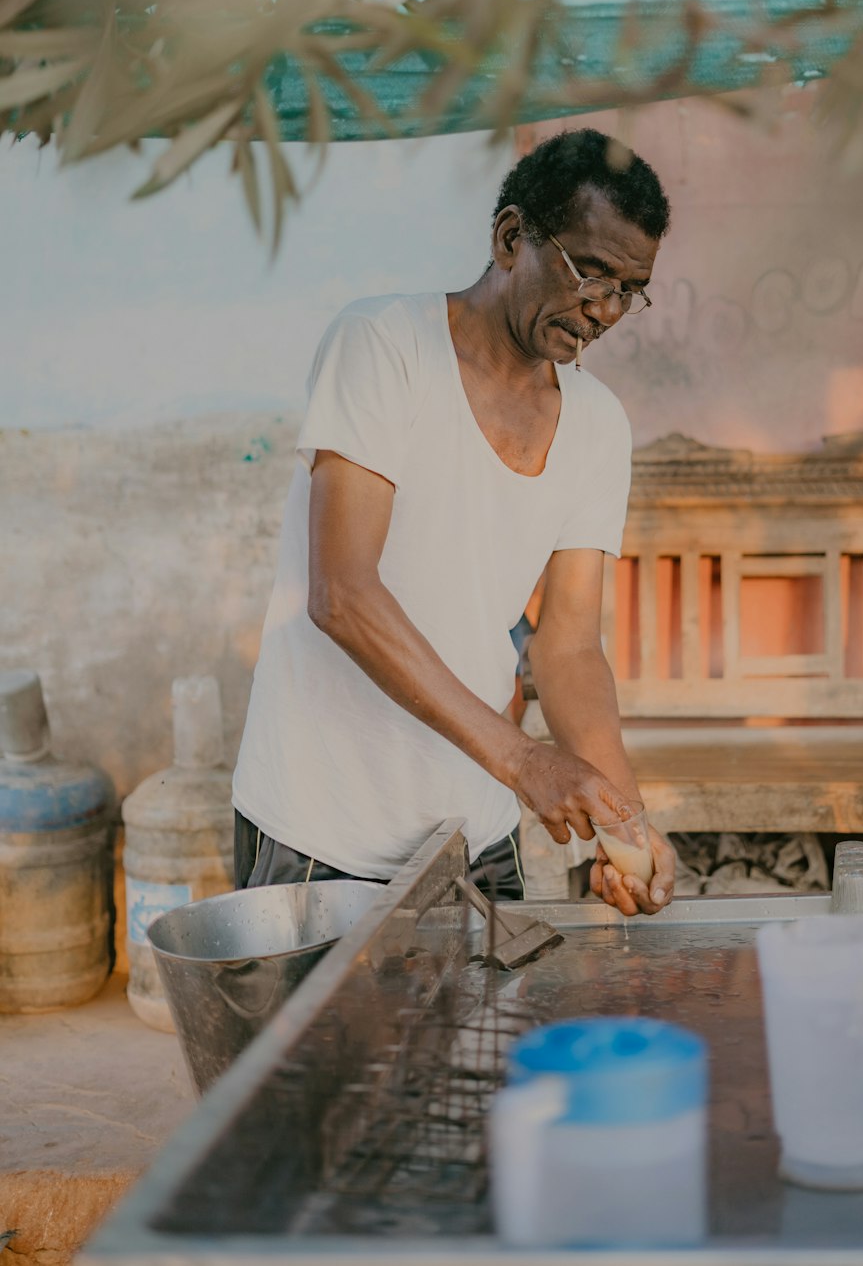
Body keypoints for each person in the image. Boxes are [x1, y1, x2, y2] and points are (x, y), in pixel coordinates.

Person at [232, 127, 675, 915]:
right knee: (318, 1044)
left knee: (479, 1042)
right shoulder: (383, 348)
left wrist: (625, 820)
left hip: (476, 833)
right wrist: (525, 762)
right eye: (590, 274)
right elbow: (342, 594)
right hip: (320, 833)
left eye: (626, 290)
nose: (604, 310)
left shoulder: (598, 425)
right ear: (512, 237)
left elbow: (569, 646)